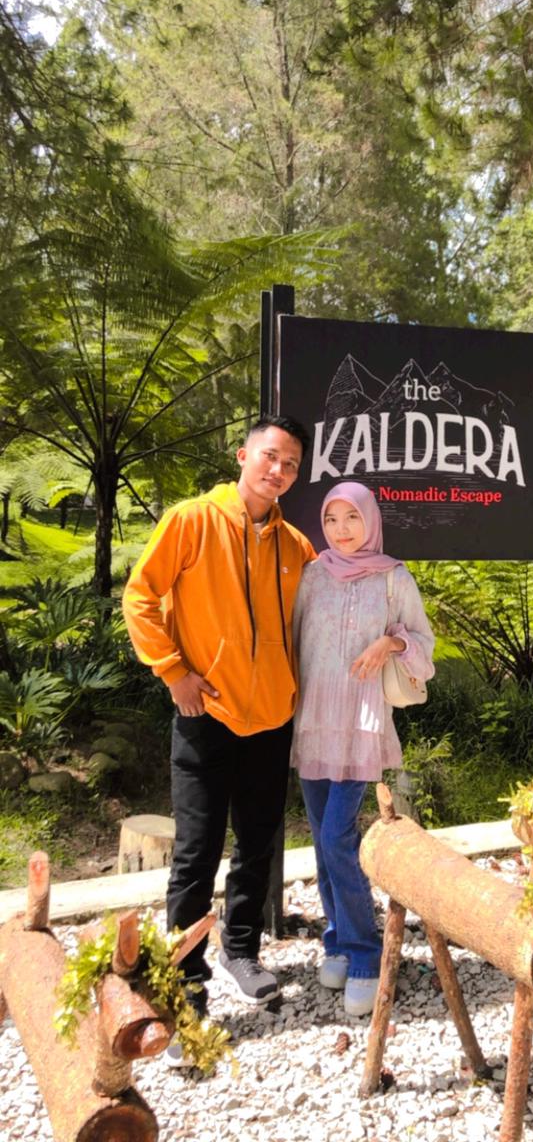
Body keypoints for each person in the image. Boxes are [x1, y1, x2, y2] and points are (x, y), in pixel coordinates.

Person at [122, 414, 315, 1033]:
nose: (278, 470)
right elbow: (140, 597)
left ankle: (241, 949)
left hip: (272, 718)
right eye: (270, 456)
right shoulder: (192, 520)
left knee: (257, 844)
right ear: (242, 455)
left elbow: (321, 617)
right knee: (196, 854)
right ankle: (185, 988)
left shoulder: (296, 547)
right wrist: (173, 671)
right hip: (204, 713)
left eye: (290, 464)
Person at [291, 481, 435, 1017]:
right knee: (321, 841)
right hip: (312, 723)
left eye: (352, 518)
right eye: (331, 520)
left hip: (361, 723)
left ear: (370, 520)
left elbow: (424, 646)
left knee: (337, 836)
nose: (341, 530)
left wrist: (391, 641)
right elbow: (292, 642)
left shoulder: (394, 577)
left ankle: (364, 955)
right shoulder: (313, 575)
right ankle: (335, 938)